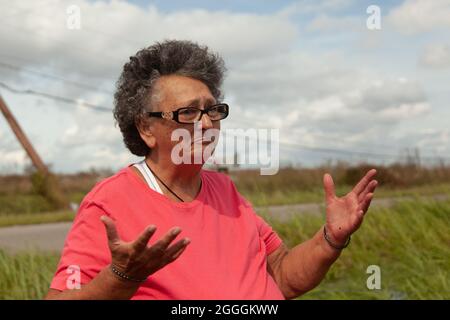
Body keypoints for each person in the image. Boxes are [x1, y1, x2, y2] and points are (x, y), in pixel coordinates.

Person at [45, 40, 378, 300]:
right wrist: (122, 275)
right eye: (188, 113)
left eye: (212, 110)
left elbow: (280, 275)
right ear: (146, 128)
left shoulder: (224, 189)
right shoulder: (109, 203)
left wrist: (331, 239)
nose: (206, 124)